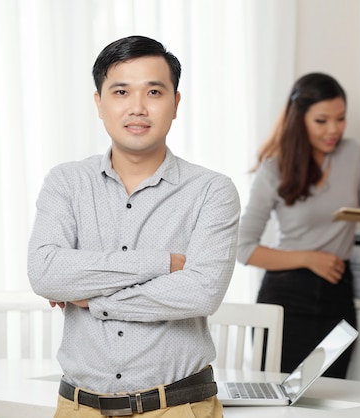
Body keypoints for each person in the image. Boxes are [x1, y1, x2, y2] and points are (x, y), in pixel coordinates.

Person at [27, 35, 240, 418]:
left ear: (175, 103)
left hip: (177, 406)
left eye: (154, 92)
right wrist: (162, 263)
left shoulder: (212, 191)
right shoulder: (66, 182)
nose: (137, 108)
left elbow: (201, 292)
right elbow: (45, 273)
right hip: (78, 408)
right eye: (121, 91)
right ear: (99, 102)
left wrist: (91, 298)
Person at [236, 73, 360, 378]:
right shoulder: (274, 168)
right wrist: (309, 258)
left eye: (341, 118)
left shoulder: (353, 155)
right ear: (300, 119)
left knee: (333, 397)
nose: (333, 129)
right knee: (281, 401)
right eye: (321, 121)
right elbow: (244, 249)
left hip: (337, 293)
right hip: (285, 298)